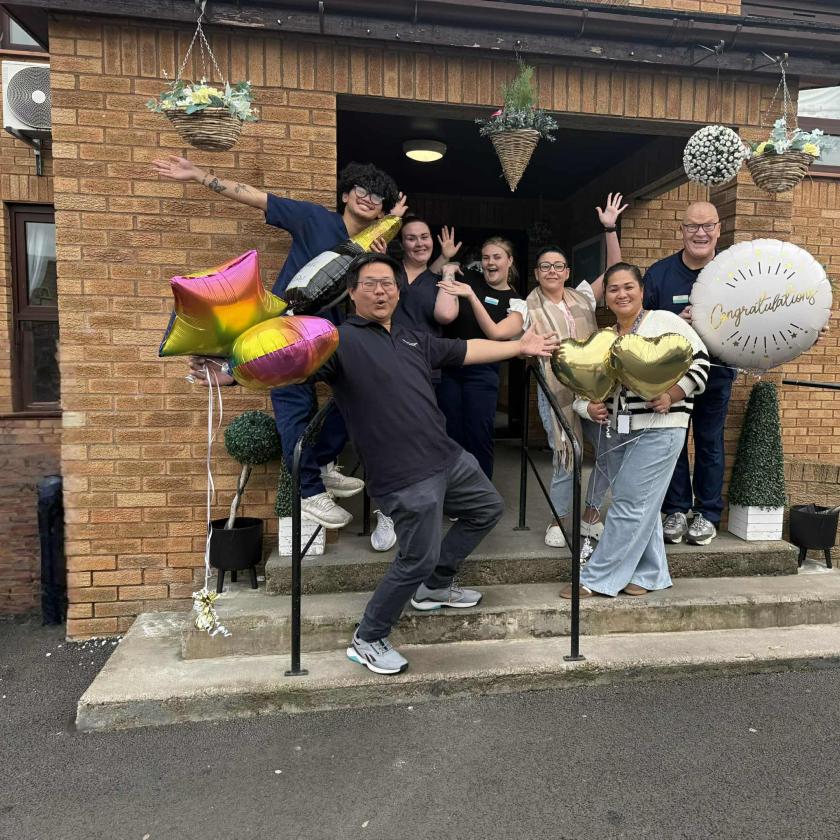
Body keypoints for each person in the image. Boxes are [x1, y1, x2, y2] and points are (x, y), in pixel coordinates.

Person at [189, 253, 559, 675]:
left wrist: (520, 346)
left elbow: (466, 349)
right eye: (370, 283)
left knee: (487, 509)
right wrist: (230, 372)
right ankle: (368, 637)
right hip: (402, 472)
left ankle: (435, 585)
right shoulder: (337, 341)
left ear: (398, 290)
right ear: (351, 292)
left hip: (447, 456)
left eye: (387, 282)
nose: (380, 290)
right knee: (415, 557)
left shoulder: (413, 336)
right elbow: (287, 363)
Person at [153, 155, 407, 532]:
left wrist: (379, 256)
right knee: (295, 409)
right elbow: (256, 197)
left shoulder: (372, 245)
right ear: (346, 193)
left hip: (334, 337)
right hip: (288, 332)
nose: (368, 199)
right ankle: (309, 490)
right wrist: (199, 175)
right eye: (362, 190)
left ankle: (320, 462)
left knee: (363, 393)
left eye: (378, 197)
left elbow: (371, 297)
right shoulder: (313, 218)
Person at [561, 263, 710, 599]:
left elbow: (701, 365)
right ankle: (649, 575)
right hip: (620, 432)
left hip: (662, 428)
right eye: (613, 289)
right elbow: (591, 390)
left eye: (628, 287)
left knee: (629, 501)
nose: (621, 294)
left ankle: (597, 577)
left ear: (641, 290)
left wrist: (672, 395)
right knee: (644, 505)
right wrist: (589, 407)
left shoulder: (664, 322)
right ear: (606, 298)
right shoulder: (608, 337)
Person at [522, 193, 627, 548]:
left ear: (567, 272)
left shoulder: (582, 296)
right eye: (545, 266)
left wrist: (609, 229)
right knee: (568, 455)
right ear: (536, 273)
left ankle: (591, 514)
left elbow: (614, 272)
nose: (552, 271)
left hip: (596, 386)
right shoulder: (525, 307)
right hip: (557, 391)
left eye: (559, 266)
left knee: (610, 450)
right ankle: (558, 519)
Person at [642, 201, 731, 546]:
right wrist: (676, 322)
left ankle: (707, 515)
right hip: (671, 377)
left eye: (708, 226)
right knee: (674, 443)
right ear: (682, 230)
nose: (701, 233)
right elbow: (642, 323)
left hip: (716, 372)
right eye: (693, 226)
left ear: (719, 229)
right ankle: (676, 509)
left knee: (709, 443)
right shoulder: (660, 274)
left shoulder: (732, 272)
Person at [434, 237, 528, 479]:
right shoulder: (469, 279)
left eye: (497, 257)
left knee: (479, 435)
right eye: (486, 257)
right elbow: (430, 281)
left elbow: (496, 334)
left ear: (510, 261)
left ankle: (480, 497)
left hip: (483, 373)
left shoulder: (516, 302)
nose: (490, 262)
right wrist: (447, 264)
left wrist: (471, 297)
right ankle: (454, 495)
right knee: (450, 434)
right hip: (450, 368)